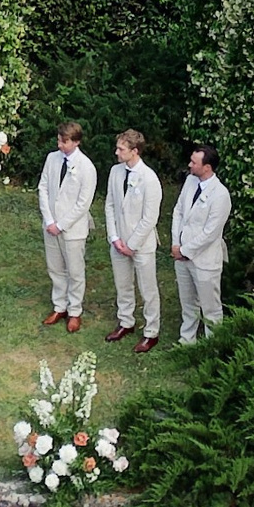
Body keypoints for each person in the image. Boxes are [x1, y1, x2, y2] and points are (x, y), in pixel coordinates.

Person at [102, 129, 163, 350]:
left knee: (148, 289)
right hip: (118, 242)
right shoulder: (115, 172)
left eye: (121, 149)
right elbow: (109, 205)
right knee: (123, 284)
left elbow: (150, 218)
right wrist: (114, 237)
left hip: (141, 246)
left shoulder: (149, 179)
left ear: (134, 151)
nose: (116, 152)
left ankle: (151, 331)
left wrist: (132, 244)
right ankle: (125, 321)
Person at [38, 121, 97, 333]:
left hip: (73, 229)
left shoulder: (86, 167)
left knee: (74, 271)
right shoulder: (52, 159)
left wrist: (62, 224)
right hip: (50, 224)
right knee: (55, 267)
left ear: (76, 142)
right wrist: (49, 220)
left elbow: (83, 203)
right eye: (59, 140)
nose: (60, 145)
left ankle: (74, 311)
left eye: (64, 142)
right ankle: (59, 306)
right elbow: (43, 187)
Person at [171, 144, 233, 343]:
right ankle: (187, 339)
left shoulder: (221, 195)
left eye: (194, 162)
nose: (189, 165)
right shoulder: (190, 181)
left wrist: (185, 250)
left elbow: (210, 233)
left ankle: (213, 344)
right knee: (188, 302)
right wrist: (176, 243)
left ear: (207, 167)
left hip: (204, 260)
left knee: (210, 307)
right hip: (181, 255)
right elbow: (179, 211)